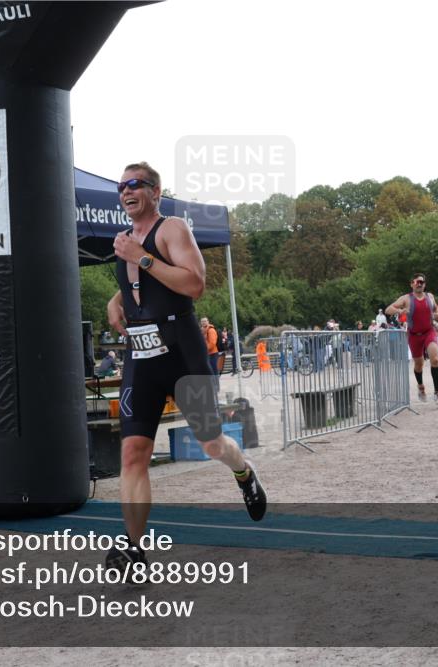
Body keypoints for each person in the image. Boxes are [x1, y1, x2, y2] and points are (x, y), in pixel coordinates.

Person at [105, 162, 266, 569]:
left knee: (211, 443)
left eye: (135, 184)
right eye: (121, 186)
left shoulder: (172, 229)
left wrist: (141, 258)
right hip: (141, 356)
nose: (126, 191)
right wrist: (117, 299)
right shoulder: (125, 240)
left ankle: (244, 471)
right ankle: (134, 549)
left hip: (182, 352)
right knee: (133, 453)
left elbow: (194, 283)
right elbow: (144, 284)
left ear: (155, 192)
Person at [386, 272, 438, 403]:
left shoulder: (430, 296)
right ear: (411, 284)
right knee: (419, 364)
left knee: (435, 360)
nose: (419, 284)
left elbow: (437, 310)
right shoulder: (406, 298)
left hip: (429, 331)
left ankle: (437, 392)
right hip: (414, 335)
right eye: (417, 282)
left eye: (421, 282)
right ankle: (421, 387)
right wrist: (399, 311)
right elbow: (388, 309)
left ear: (425, 284)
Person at [199, 317, 220, 389]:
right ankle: (211, 387)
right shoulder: (202, 331)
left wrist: (204, 350)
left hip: (212, 354)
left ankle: (216, 387)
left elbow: (212, 343)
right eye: (202, 321)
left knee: (213, 371)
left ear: (208, 321)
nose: (203, 322)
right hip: (207, 354)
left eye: (205, 321)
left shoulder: (211, 330)